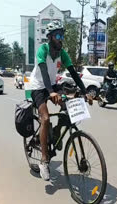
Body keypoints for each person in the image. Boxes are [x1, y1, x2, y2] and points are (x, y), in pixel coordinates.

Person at [29, 20, 93, 181]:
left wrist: (85, 92)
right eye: (58, 35)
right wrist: (50, 93)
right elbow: (43, 71)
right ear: (50, 37)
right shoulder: (42, 50)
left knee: (68, 109)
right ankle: (44, 160)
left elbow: (73, 72)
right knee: (45, 117)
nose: (61, 38)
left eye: (62, 35)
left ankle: (56, 133)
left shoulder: (62, 53)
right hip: (37, 86)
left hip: (52, 85)